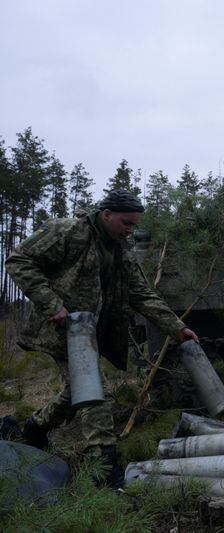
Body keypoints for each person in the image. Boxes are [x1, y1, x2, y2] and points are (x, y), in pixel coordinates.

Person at [4, 189, 198, 485]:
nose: (131, 230)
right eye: (126, 223)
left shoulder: (121, 249)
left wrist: (176, 327)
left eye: (134, 225)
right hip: (63, 329)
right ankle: (103, 466)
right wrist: (51, 303)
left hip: (89, 332)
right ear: (106, 214)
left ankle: (31, 430)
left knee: (76, 392)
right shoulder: (67, 231)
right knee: (95, 393)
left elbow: (141, 294)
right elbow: (18, 261)